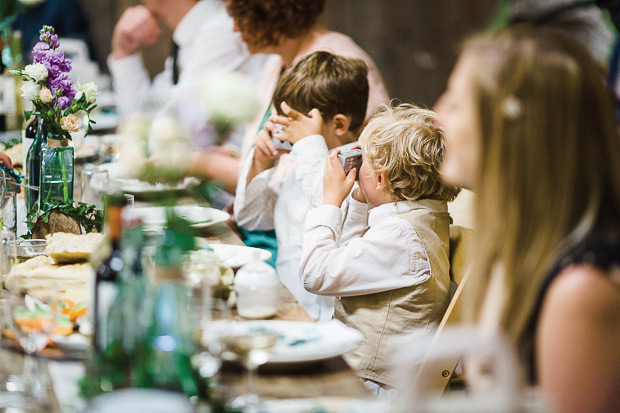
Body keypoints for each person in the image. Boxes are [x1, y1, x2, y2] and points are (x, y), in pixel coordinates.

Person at [434, 25, 620, 412]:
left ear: (510, 129)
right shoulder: (516, 246)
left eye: (454, 102)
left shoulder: (580, 288)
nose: (436, 114)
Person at [298, 103, 460, 392]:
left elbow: (315, 274)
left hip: (372, 390)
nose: (356, 168)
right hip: (370, 378)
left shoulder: (401, 237)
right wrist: (360, 201)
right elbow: (350, 256)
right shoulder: (421, 219)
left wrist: (330, 202)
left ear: (382, 178)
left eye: (363, 162)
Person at [234, 51, 369, 321]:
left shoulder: (359, 165)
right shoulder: (301, 163)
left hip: (327, 316)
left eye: (293, 121)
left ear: (339, 124)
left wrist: (308, 143)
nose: (285, 130)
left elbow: (328, 202)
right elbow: (251, 219)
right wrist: (261, 164)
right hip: (288, 303)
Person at [108, 0, 265, 126]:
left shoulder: (223, 29)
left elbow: (175, 129)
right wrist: (124, 51)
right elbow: (141, 116)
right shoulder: (195, 31)